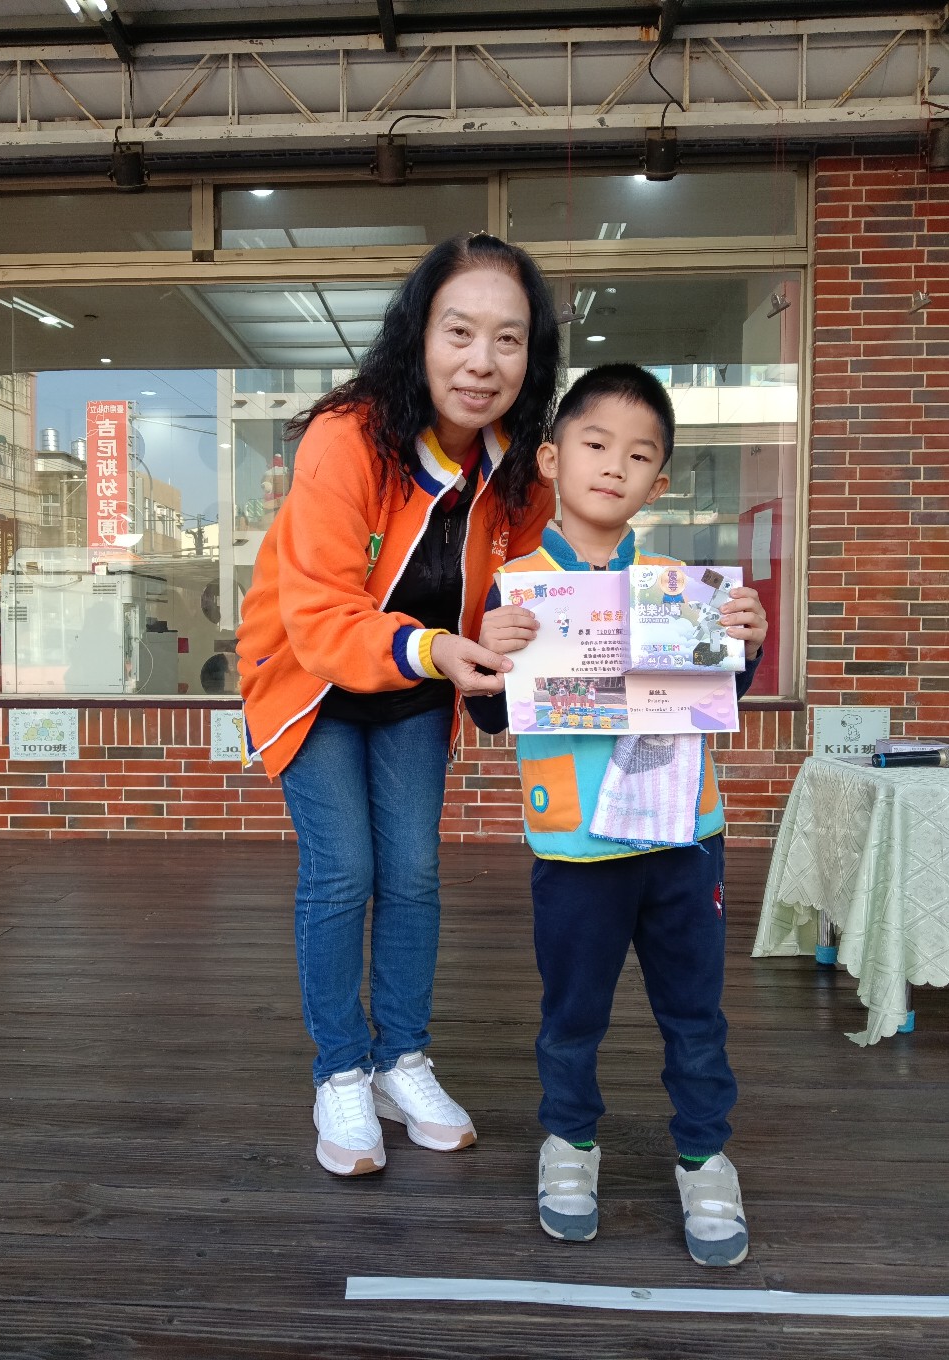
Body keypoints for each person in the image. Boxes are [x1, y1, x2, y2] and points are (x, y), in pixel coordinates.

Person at [236, 233, 560, 1177]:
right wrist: (437, 647)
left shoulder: (517, 467)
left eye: (508, 339)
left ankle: (401, 1062)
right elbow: (319, 615)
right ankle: (341, 1069)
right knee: (344, 871)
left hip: (420, 683)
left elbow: (536, 580)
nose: (482, 361)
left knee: (413, 873)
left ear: (531, 356)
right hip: (312, 678)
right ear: (418, 336)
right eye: (459, 331)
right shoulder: (348, 437)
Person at [466, 364, 768, 1266]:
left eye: (639, 456)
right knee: (572, 1013)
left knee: (695, 1013)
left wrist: (745, 644)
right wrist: (489, 656)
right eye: (595, 444)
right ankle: (570, 1143)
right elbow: (490, 715)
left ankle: (705, 1156)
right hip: (575, 847)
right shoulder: (516, 587)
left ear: (659, 484)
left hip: (684, 839)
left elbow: (721, 695)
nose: (614, 465)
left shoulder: (680, 585)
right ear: (551, 459)